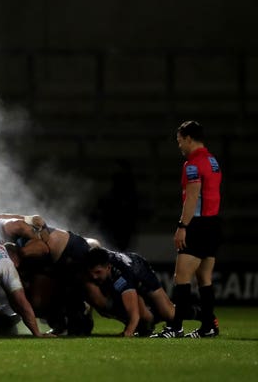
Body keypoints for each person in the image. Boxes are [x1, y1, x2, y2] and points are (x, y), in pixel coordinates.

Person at [152, 120, 222, 338]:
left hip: (197, 224)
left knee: (181, 276)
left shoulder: (192, 165)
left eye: (180, 141)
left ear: (189, 138)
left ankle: (175, 327)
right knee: (205, 277)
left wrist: (182, 226)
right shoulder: (213, 162)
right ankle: (209, 326)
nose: (179, 145)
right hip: (213, 224)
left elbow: (192, 198)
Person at [84, 247, 176, 337]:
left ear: (108, 267)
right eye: (91, 273)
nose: (94, 277)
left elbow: (134, 314)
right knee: (134, 312)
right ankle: (146, 324)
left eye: (98, 272)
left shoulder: (121, 275)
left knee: (168, 313)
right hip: (122, 273)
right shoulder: (93, 262)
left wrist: (128, 333)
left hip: (139, 270)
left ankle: (175, 326)